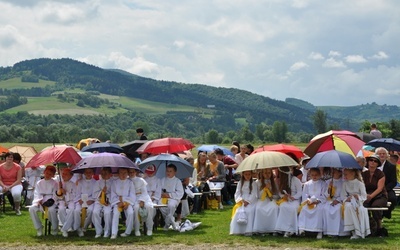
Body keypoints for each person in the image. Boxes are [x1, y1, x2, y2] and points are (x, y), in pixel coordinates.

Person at [28, 165, 59, 236]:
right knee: (32, 209)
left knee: (51, 210)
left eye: (50, 174)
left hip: (50, 201)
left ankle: (54, 228)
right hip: (40, 201)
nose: (48, 175)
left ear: (53, 175)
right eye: (47, 173)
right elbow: (37, 193)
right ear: (44, 172)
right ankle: (39, 227)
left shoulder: (54, 183)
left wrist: (51, 201)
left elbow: (55, 194)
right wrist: (38, 201)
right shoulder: (39, 183)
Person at [341, 168, 370, 239]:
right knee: (348, 207)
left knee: (357, 209)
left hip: (358, 203)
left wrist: (358, 197)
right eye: (344, 174)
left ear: (352, 173)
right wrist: (347, 199)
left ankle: (358, 231)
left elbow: (364, 196)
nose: (344, 176)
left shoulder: (360, 184)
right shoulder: (344, 183)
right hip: (348, 202)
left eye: (346, 174)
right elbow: (343, 195)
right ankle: (353, 230)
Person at [362, 154, 387, 236]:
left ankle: (379, 228)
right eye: (371, 160)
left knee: (375, 206)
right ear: (368, 162)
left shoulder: (381, 174)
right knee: (362, 206)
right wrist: (365, 195)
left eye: (375, 161)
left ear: (377, 164)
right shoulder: (364, 174)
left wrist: (370, 196)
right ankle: (367, 227)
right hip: (366, 195)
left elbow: (380, 188)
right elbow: (361, 186)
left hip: (379, 196)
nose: (373, 162)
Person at [298, 168, 326, 239]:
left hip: (318, 202)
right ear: (310, 175)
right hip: (309, 202)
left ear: (319, 175)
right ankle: (302, 229)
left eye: (316, 175)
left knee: (319, 210)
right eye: (312, 175)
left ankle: (319, 231)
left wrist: (318, 201)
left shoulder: (323, 183)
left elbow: (324, 195)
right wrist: (308, 200)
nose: (314, 177)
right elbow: (305, 194)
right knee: (304, 209)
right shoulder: (307, 184)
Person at [275, 166, 302, 237]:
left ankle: (291, 229)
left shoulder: (295, 180)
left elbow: (300, 192)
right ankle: (282, 229)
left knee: (293, 208)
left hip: (295, 199)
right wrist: (283, 196)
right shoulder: (280, 181)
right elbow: (279, 192)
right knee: (283, 206)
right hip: (286, 199)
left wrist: (293, 197)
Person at [229, 170, 257, 236]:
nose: (247, 176)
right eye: (246, 174)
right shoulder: (240, 183)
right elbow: (237, 193)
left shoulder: (253, 183)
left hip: (250, 201)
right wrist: (240, 200)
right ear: (243, 175)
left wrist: (248, 201)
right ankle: (238, 230)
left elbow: (253, 194)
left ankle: (248, 230)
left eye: (249, 174)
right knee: (238, 211)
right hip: (242, 200)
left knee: (249, 211)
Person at [110, 167, 135, 239]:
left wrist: (127, 203)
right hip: (117, 202)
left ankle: (127, 232)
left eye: (125, 173)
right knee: (116, 213)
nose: (123, 175)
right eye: (121, 173)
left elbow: (132, 194)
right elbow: (113, 194)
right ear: (118, 174)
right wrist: (118, 202)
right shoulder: (114, 183)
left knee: (130, 213)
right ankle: (114, 233)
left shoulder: (130, 182)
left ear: (127, 173)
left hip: (127, 202)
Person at [252, 168, 279, 235]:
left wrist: (271, 192)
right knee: (259, 209)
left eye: (269, 173)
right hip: (262, 200)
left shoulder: (274, 182)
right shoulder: (257, 182)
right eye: (265, 173)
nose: (267, 175)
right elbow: (257, 196)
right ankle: (261, 229)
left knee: (274, 208)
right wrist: (265, 189)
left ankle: (273, 228)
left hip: (271, 200)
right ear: (262, 174)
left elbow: (277, 195)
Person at [128, 167, 154, 236]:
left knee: (149, 207)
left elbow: (144, 192)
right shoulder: (127, 180)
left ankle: (149, 228)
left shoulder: (141, 180)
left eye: (133, 172)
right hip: (133, 199)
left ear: (136, 172)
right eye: (130, 172)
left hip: (144, 197)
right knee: (136, 208)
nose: (131, 174)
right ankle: (137, 229)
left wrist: (142, 200)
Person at [322, 168, 347, 237]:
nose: (333, 173)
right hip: (329, 200)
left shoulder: (343, 182)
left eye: (335, 172)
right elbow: (325, 194)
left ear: (340, 173)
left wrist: (338, 200)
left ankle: (339, 231)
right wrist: (329, 188)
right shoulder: (328, 182)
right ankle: (329, 231)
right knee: (326, 208)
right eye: (332, 172)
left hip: (339, 201)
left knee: (338, 209)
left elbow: (343, 193)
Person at [159, 164, 184, 231]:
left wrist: (169, 195)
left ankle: (167, 224)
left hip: (173, 198)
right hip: (163, 198)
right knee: (161, 206)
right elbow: (159, 190)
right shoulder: (162, 180)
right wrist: (162, 194)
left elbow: (180, 193)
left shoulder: (177, 181)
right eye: (167, 171)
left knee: (171, 206)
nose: (168, 173)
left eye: (170, 171)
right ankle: (173, 223)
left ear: (175, 172)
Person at [73, 168, 96, 237]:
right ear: (84, 173)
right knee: (77, 211)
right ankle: (78, 228)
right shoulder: (80, 182)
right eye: (87, 172)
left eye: (90, 172)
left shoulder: (95, 182)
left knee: (91, 210)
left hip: (90, 201)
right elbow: (77, 193)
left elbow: (95, 194)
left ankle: (84, 227)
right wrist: (79, 199)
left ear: (92, 173)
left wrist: (92, 200)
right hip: (81, 200)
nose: (88, 174)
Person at [375, 147, 397, 219]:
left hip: (386, 188)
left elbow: (393, 181)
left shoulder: (391, 166)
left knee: (393, 199)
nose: (382, 155)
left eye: (383, 154)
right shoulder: (371, 165)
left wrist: (384, 189)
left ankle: (386, 213)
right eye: (380, 154)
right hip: (373, 188)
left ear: (386, 155)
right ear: (376, 155)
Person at [92, 167, 113, 238]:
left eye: (106, 173)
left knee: (107, 213)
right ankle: (98, 231)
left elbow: (114, 193)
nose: (104, 175)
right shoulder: (98, 182)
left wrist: (108, 197)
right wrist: (102, 192)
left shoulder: (113, 182)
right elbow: (94, 194)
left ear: (110, 174)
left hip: (108, 201)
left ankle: (107, 231)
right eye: (102, 173)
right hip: (99, 201)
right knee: (95, 212)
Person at [58, 168, 78, 238]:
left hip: (71, 201)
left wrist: (66, 193)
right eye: (63, 174)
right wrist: (59, 189)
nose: (64, 175)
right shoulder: (60, 183)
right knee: (61, 209)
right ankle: (67, 227)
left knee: (72, 210)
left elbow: (74, 195)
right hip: (61, 201)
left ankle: (64, 229)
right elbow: (56, 195)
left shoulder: (73, 184)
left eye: (66, 174)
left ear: (71, 176)